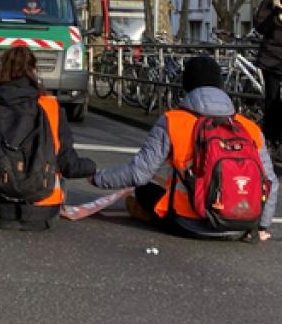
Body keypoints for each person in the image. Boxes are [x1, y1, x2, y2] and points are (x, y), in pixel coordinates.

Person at [91, 56, 278, 241]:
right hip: (241, 227)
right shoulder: (249, 127)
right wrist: (261, 226)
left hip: (188, 223)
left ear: (186, 86)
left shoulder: (173, 121)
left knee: (143, 190)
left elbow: (138, 174)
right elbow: (270, 181)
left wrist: (97, 178)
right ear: (221, 86)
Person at [0, 47, 96, 230]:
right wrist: (92, 167)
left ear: (2, 70)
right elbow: (68, 165)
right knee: (56, 171)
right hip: (43, 215)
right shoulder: (51, 107)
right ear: (33, 71)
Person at [254, 0, 282, 159]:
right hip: (272, 58)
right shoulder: (271, 1)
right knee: (272, 99)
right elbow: (259, 25)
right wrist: (275, 14)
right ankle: (271, 141)